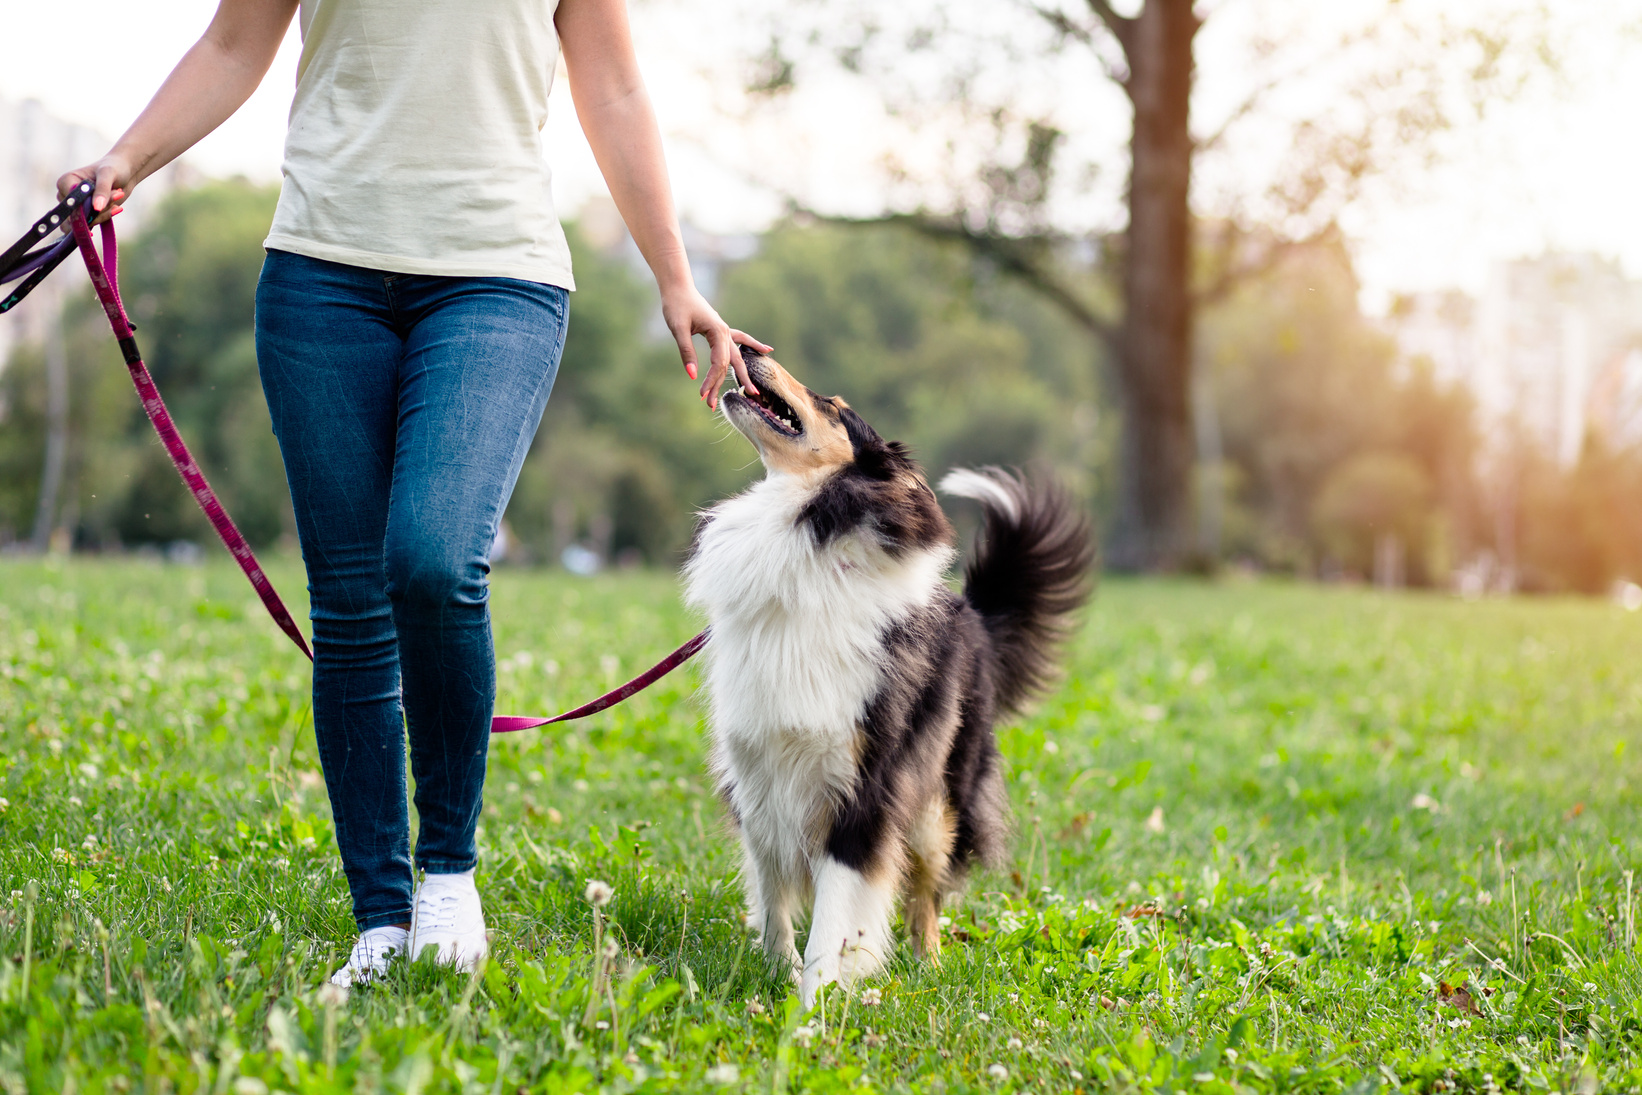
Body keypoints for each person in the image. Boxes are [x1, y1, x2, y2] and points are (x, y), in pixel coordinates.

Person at [60, 0, 770, 989]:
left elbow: (612, 87)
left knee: (434, 560)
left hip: (497, 279)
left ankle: (448, 875)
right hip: (320, 278)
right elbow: (232, 44)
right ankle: (382, 923)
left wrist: (674, 275)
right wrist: (127, 158)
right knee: (352, 607)